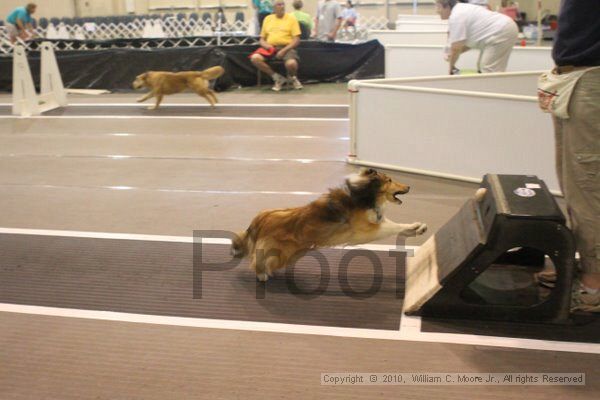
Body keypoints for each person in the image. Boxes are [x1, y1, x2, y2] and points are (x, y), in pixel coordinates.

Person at [536, 0, 600, 312]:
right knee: (575, 185)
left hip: (591, 80)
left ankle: (594, 285)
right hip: (575, 80)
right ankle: (588, 266)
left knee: (588, 188)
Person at [436, 0, 518, 74]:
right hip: (502, 29)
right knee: (482, 67)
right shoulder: (461, 10)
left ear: (447, 6)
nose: (437, 11)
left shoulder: (456, 17)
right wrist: (453, 54)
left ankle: (489, 89)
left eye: (438, 7)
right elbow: (466, 44)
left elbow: (456, 48)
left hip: (501, 30)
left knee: (488, 69)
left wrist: (450, 69)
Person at [250, 0, 303, 92]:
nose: (282, 7)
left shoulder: (291, 19)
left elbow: (296, 39)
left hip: (286, 48)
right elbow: (262, 39)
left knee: (291, 64)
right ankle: (277, 77)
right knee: (255, 58)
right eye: (279, 5)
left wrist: (284, 50)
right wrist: (267, 46)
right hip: (270, 47)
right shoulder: (267, 19)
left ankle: (293, 78)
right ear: (274, 8)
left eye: (283, 4)